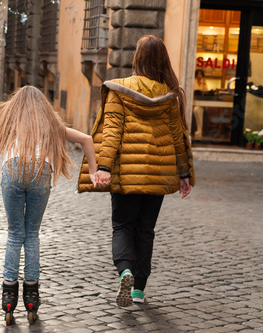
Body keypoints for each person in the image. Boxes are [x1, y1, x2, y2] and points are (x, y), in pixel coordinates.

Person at [0, 86, 97, 324]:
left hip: (12, 171)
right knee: (31, 235)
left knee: (14, 234)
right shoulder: (50, 124)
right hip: (41, 173)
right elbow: (86, 139)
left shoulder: (8, 123)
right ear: (43, 107)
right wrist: (93, 172)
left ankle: (8, 298)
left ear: (15, 105)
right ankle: (31, 297)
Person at [78, 35, 195, 307]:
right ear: (162, 59)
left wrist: (104, 167)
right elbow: (179, 137)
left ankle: (125, 271)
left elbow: (112, 132)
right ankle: (139, 291)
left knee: (122, 226)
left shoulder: (119, 90)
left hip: (126, 174)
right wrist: (184, 174)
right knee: (146, 230)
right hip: (158, 174)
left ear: (137, 58)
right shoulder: (171, 94)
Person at [192, 69, 208, 138]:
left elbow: (206, 91)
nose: (199, 76)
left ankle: (199, 131)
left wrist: (204, 83)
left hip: (202, 103)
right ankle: (199, 131)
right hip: (194, 102)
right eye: (198, 74)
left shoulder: (204, 82)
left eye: (200, 74)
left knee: (197, 110)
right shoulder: (193, 81)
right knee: (196, 110)